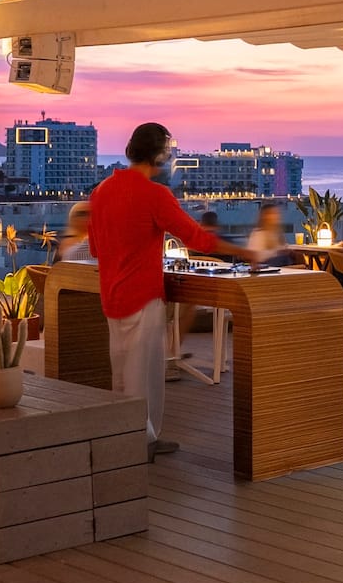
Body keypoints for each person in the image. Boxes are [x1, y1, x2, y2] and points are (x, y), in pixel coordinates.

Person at [88, 123, 260, 458]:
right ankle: (142, 442)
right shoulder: (154, 194)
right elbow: (198, 239)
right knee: (145, 375)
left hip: (111, 293)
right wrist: (245, 252)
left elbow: (95, 248)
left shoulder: (102, 190)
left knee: (122, 373)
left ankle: (128, 438)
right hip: (142, 294)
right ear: (160, 154)